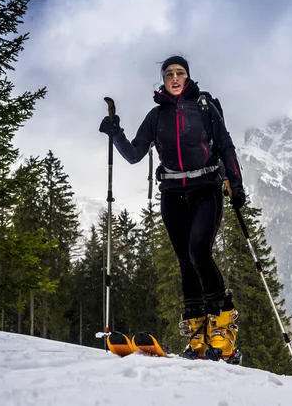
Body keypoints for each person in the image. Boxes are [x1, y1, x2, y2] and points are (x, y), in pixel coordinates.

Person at [98, 55, 246, 361]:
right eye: (169, 74)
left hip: (206, 189)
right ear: (163, 81)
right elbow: (135, 154)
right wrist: (116, 133)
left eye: (180, 73)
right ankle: (197, 333)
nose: (175, 78)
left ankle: (223, 326)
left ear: (188, 77)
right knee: (185, 261)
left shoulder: (206, 108)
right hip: (172, 194)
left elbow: (225, 146)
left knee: (199, 252)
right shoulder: (156, 116)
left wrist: (237, 183)